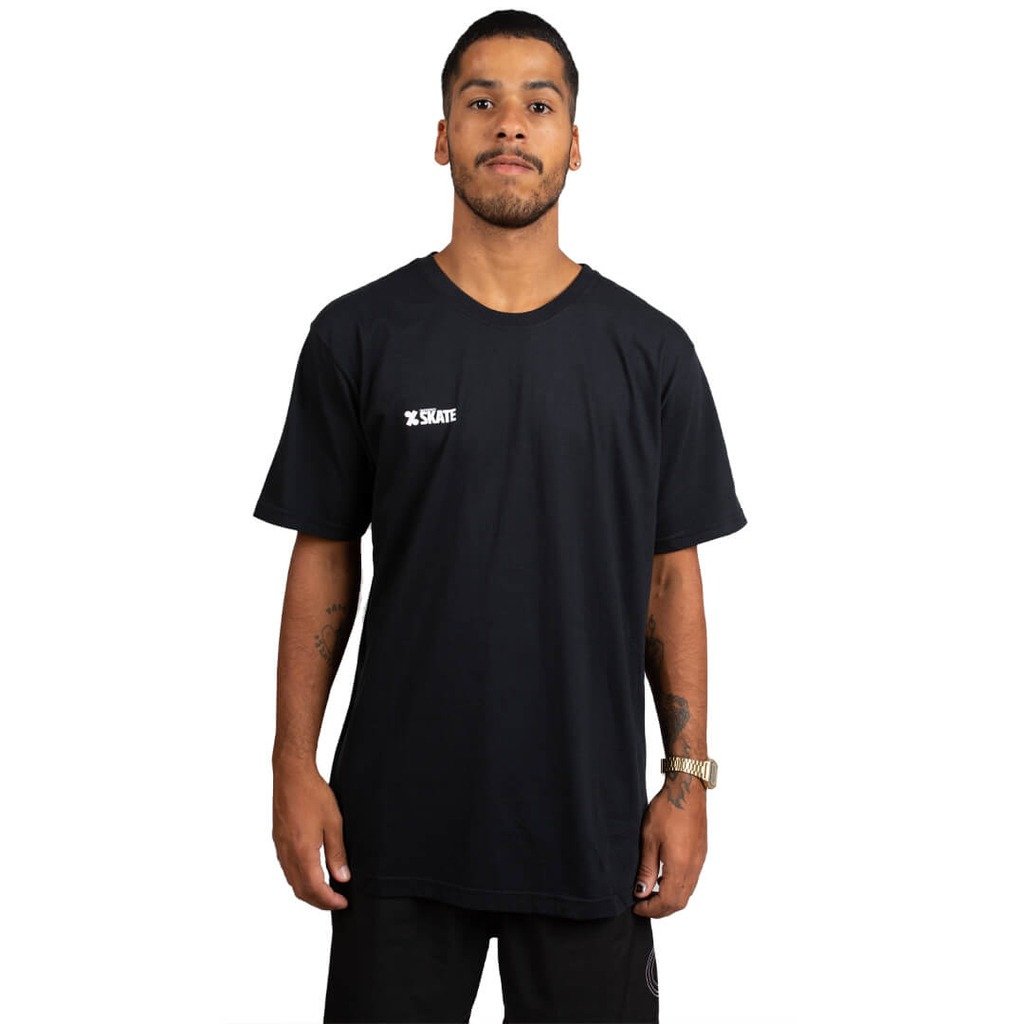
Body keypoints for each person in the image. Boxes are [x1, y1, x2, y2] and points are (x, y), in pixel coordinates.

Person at [252, 10, 747, 1023]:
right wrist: (292, 764)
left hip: (589, 832)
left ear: (576, 142)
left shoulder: (651, 353)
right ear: (443, 137)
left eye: (539, 105)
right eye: (481, 102)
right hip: (394, 829)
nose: (510, 124)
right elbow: (324, 556)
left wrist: (686, 780)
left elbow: (671, 577)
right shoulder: (358, 335)